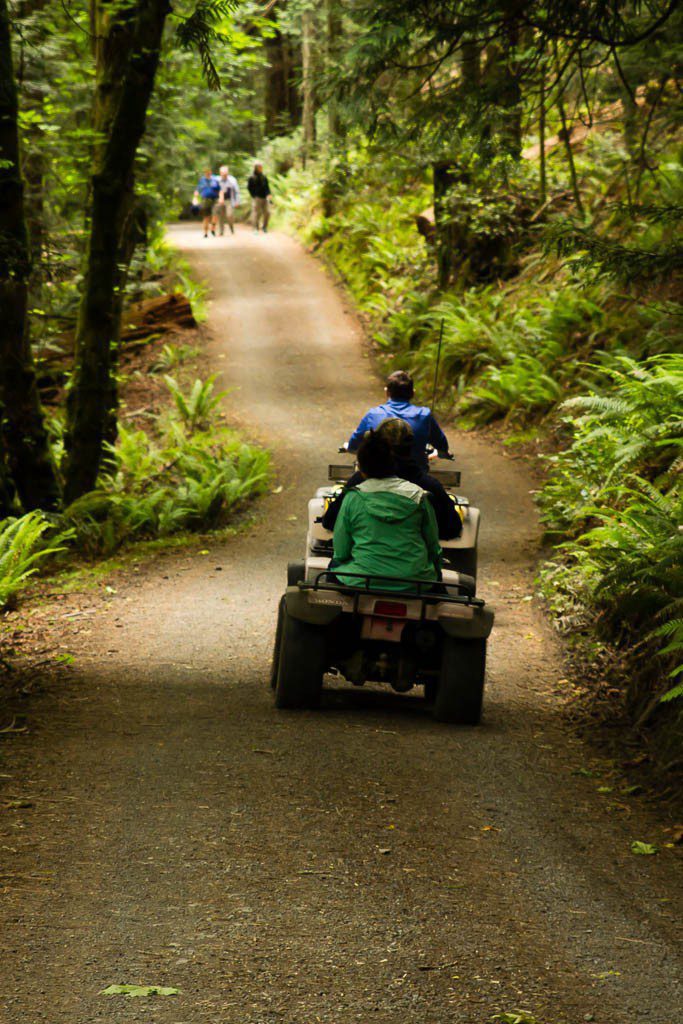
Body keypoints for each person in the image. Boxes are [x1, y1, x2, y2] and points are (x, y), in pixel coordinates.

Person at [331, 430, 442, 592]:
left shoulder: (353, 497)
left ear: (361, 468)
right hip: (416, 582)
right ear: (392, 464)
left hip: (361, 579)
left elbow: (341, 551)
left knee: (331, 572)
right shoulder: (419, 496)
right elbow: (433, 546)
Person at [323, 418, 462, 540]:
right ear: (411, 446)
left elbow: (330, 521)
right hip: (414, 565)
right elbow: (452, 529)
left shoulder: (359, 482)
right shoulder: (429, 487)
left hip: (362, 562)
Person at [346, 369, 451, 471]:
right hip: (414, 476)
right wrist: (441, 453)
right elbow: (442, 446)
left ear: (387, 392)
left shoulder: (373, 414)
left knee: (350, 487)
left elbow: (353, 445)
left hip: (379, 475)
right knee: (437, 489)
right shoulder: (424, 415)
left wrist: (350, 447)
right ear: (412, 393)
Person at [214, 164, 240, 236]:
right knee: (221, 216)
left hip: (229, 200)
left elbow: (236, 191)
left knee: (229, 215)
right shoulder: (217, 180)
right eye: (222, 173)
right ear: (220, 173)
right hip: (220, 200)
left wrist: (237, 201)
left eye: (225, 173)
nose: (224, 175)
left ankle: (231, 228)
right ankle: (221, 231)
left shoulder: (232, 180)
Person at [193, 167, 220, 237]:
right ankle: (205, 232)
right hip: (205, 200)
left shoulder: (215, 179)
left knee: (215, 214)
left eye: (209, 171)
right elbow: (197, 190)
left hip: (215, 199)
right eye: (206, 172)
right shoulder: (202, 180)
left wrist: (221, 198)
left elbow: (220, 189)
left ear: (211, 172)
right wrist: (195, 198)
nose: (208, 173)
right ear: (205, 172)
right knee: (206, 217)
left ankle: (213, 227)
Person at [247, 161, 271, 233]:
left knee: (267, 212)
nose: (261, 168)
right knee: (256, 213)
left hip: (265, 198)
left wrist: (269, 194)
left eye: (261, 167)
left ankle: (264, 227)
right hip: (257, 198)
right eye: (259, 167)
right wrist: (253, 195)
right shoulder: (251, 177)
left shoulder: (264, 177)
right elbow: (249, 187)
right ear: (256, 168)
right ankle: (255, 228)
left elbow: (267, 187)